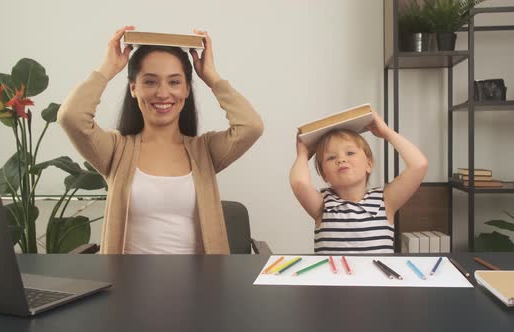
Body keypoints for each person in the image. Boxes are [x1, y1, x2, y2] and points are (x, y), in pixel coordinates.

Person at [58, 26, 263, 254]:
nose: (163, 93)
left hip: (199, 284)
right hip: (130, 284)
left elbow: (251, 126)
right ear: (134, 88)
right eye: (150, 82)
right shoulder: (116, 151)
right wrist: (107, 69)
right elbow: (71, 117)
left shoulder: (204, 151)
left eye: (174, 82)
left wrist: (212, 78)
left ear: (186, 89)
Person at [289, 111, 427, 253]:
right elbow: (299, 183)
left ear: (369, 164)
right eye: (331, 157)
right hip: (333, 276)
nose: (341, 160)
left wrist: (387, 133)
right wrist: (302, 155)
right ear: (324, 174)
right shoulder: (323, 205)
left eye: (350, 153)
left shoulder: (385, 201)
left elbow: (419, 165)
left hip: (375, 275)